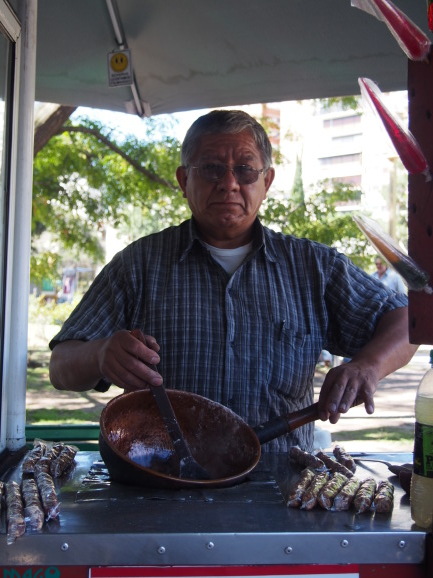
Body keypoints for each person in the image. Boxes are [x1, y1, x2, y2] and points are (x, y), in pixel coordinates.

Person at [49, 109, 417, 453]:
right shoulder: (137, 265)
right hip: (164, 487)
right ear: (183, 179)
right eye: (210, 169)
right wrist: (100, 355)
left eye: (245, 170)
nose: (229, 184)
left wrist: (367, 365)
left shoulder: (315, 268)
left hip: (281, 493)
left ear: (267, 181)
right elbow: (61, 366)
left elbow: (407, 320)